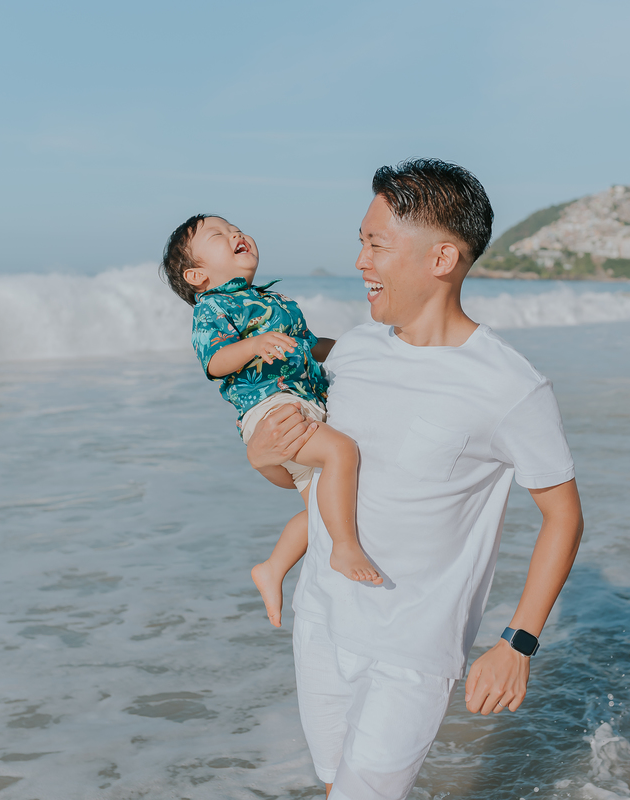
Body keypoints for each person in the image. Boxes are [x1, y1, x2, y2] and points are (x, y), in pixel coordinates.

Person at [245, 159, 584, 799]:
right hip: (321, 615)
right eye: (361, 243)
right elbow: (310, 486)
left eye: (376, 244)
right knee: (331, 786)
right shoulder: (352, 351)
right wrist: (264, 458)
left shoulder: (510, 386)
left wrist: (519, 642)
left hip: (411, 647)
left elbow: (563, 517)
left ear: (442, 258)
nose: (360, 262)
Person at [160, 214, 381, 627]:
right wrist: (254, 344)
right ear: (197, 275)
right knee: (341, 451)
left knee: (322, 510)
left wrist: (360, 348)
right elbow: (215, 363)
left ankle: (273, 567)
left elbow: (314, 347)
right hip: (270, 406)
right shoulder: (213, 307)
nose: (236, 234)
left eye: (235, 228)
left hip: (305, 401)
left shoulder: (274, 303)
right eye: (219, 235)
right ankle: (345, 548)